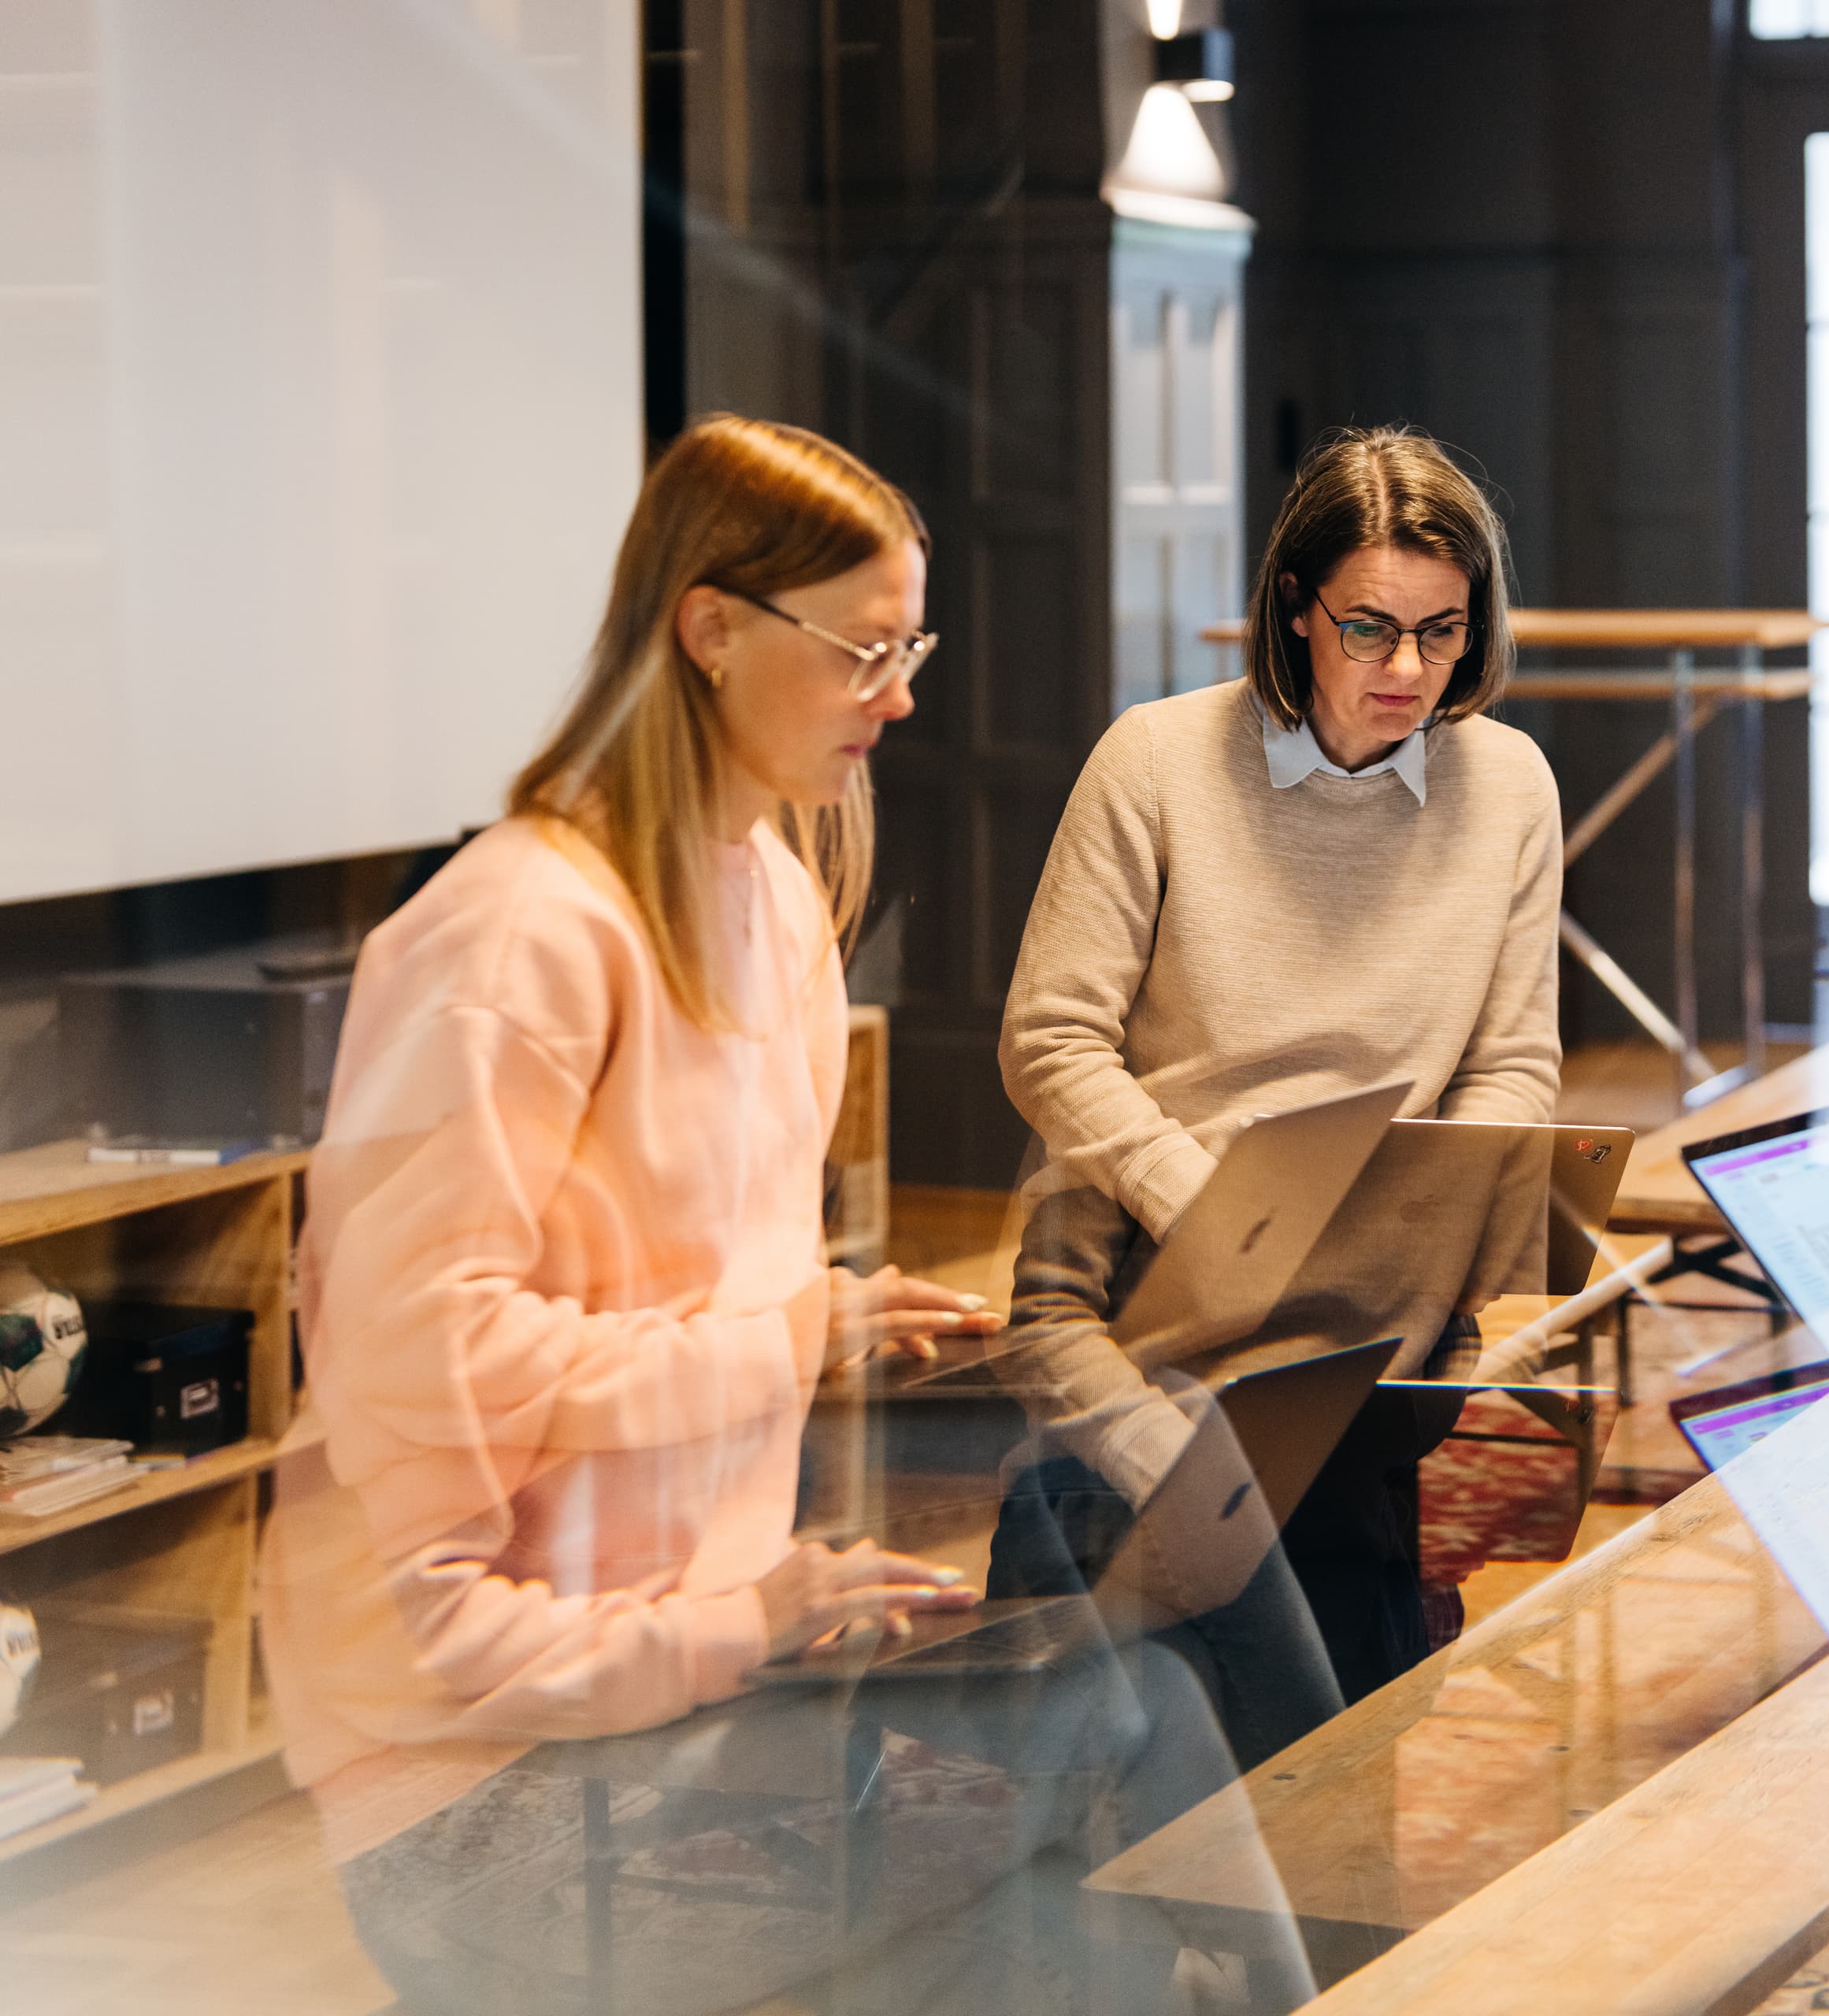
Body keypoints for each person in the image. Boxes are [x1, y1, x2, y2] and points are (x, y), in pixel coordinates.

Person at [261, 414, 1308, 2015]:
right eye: (865, 652)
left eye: (911, 649)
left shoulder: (773, 898)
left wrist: (817, 1362)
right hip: (476, 1792)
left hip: (682, 1704)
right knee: (1108, 1751)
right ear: (712, 629)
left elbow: (687, 1310)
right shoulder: (515, 940)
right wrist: (756, 1515)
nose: (902, 698)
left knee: (1105, 1806)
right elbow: (434, 1380)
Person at [989, 424, 1562, 1718]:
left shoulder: (1510, 784)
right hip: (1159, 1282)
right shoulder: (1156, 759)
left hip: (1366, 1318)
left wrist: (1442, 1219)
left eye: (1443, 631)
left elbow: (1514, 1063)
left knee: (1341, 1733)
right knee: (1207, 1705)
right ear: (1296, 607)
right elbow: (1050, 1039)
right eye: (1370, 628)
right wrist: (1217, 1217)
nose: (1408, 669)